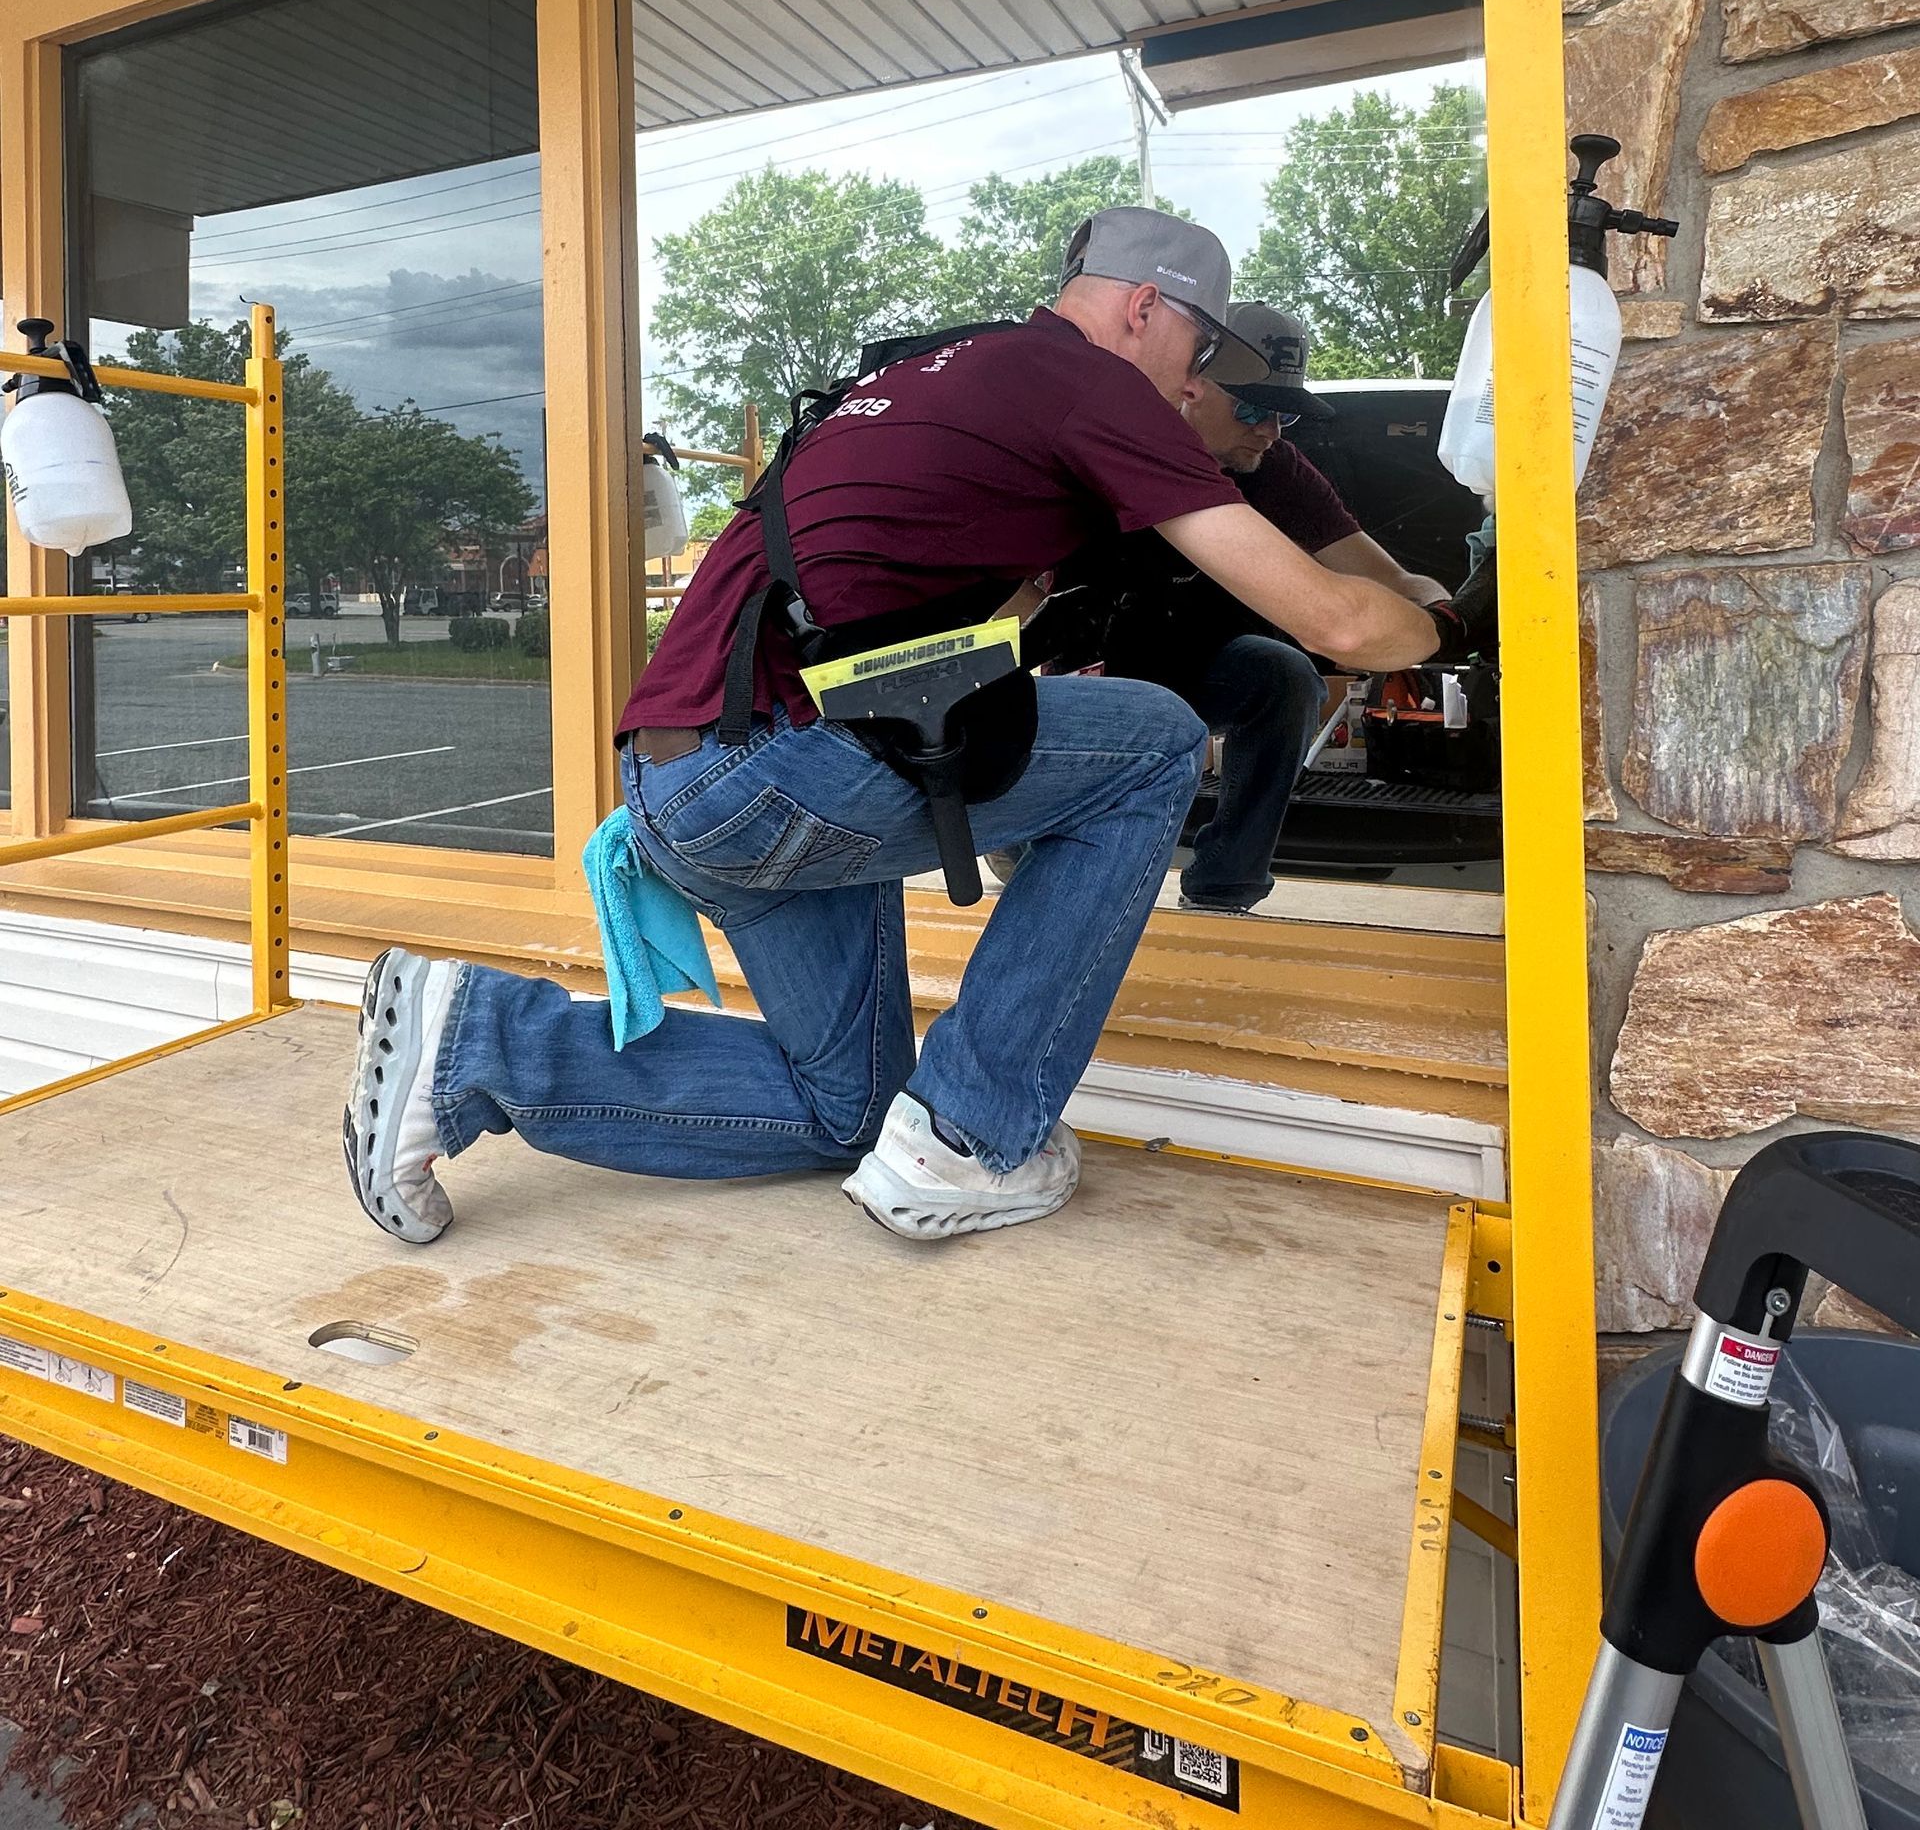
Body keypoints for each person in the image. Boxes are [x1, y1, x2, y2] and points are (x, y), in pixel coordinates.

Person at [344, 211, 1471, 1251]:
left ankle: (479, 1038)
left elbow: (950, 618)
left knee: (851, 1109)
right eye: (1201, 344)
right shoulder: (1087, 382)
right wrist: (1446, 622)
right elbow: (1334, 620)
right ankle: (973, 1137)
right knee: (1158, 741)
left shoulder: (931, 371)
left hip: (682, 773)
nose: (1199, 377)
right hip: (777, 770)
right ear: (1144, 310)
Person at [1083, 303, 1453, 915]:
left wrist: (1450, 612)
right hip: (1091, 672)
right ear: (1189, 385)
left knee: (1282, 674)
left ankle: (1226, 889)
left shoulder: (1277, 469)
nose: (1272, 429)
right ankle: (1049, 861)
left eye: (1286, 413)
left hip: (1193, 657)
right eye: (1253, 408)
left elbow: (1390, 579)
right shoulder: (1106, 448)